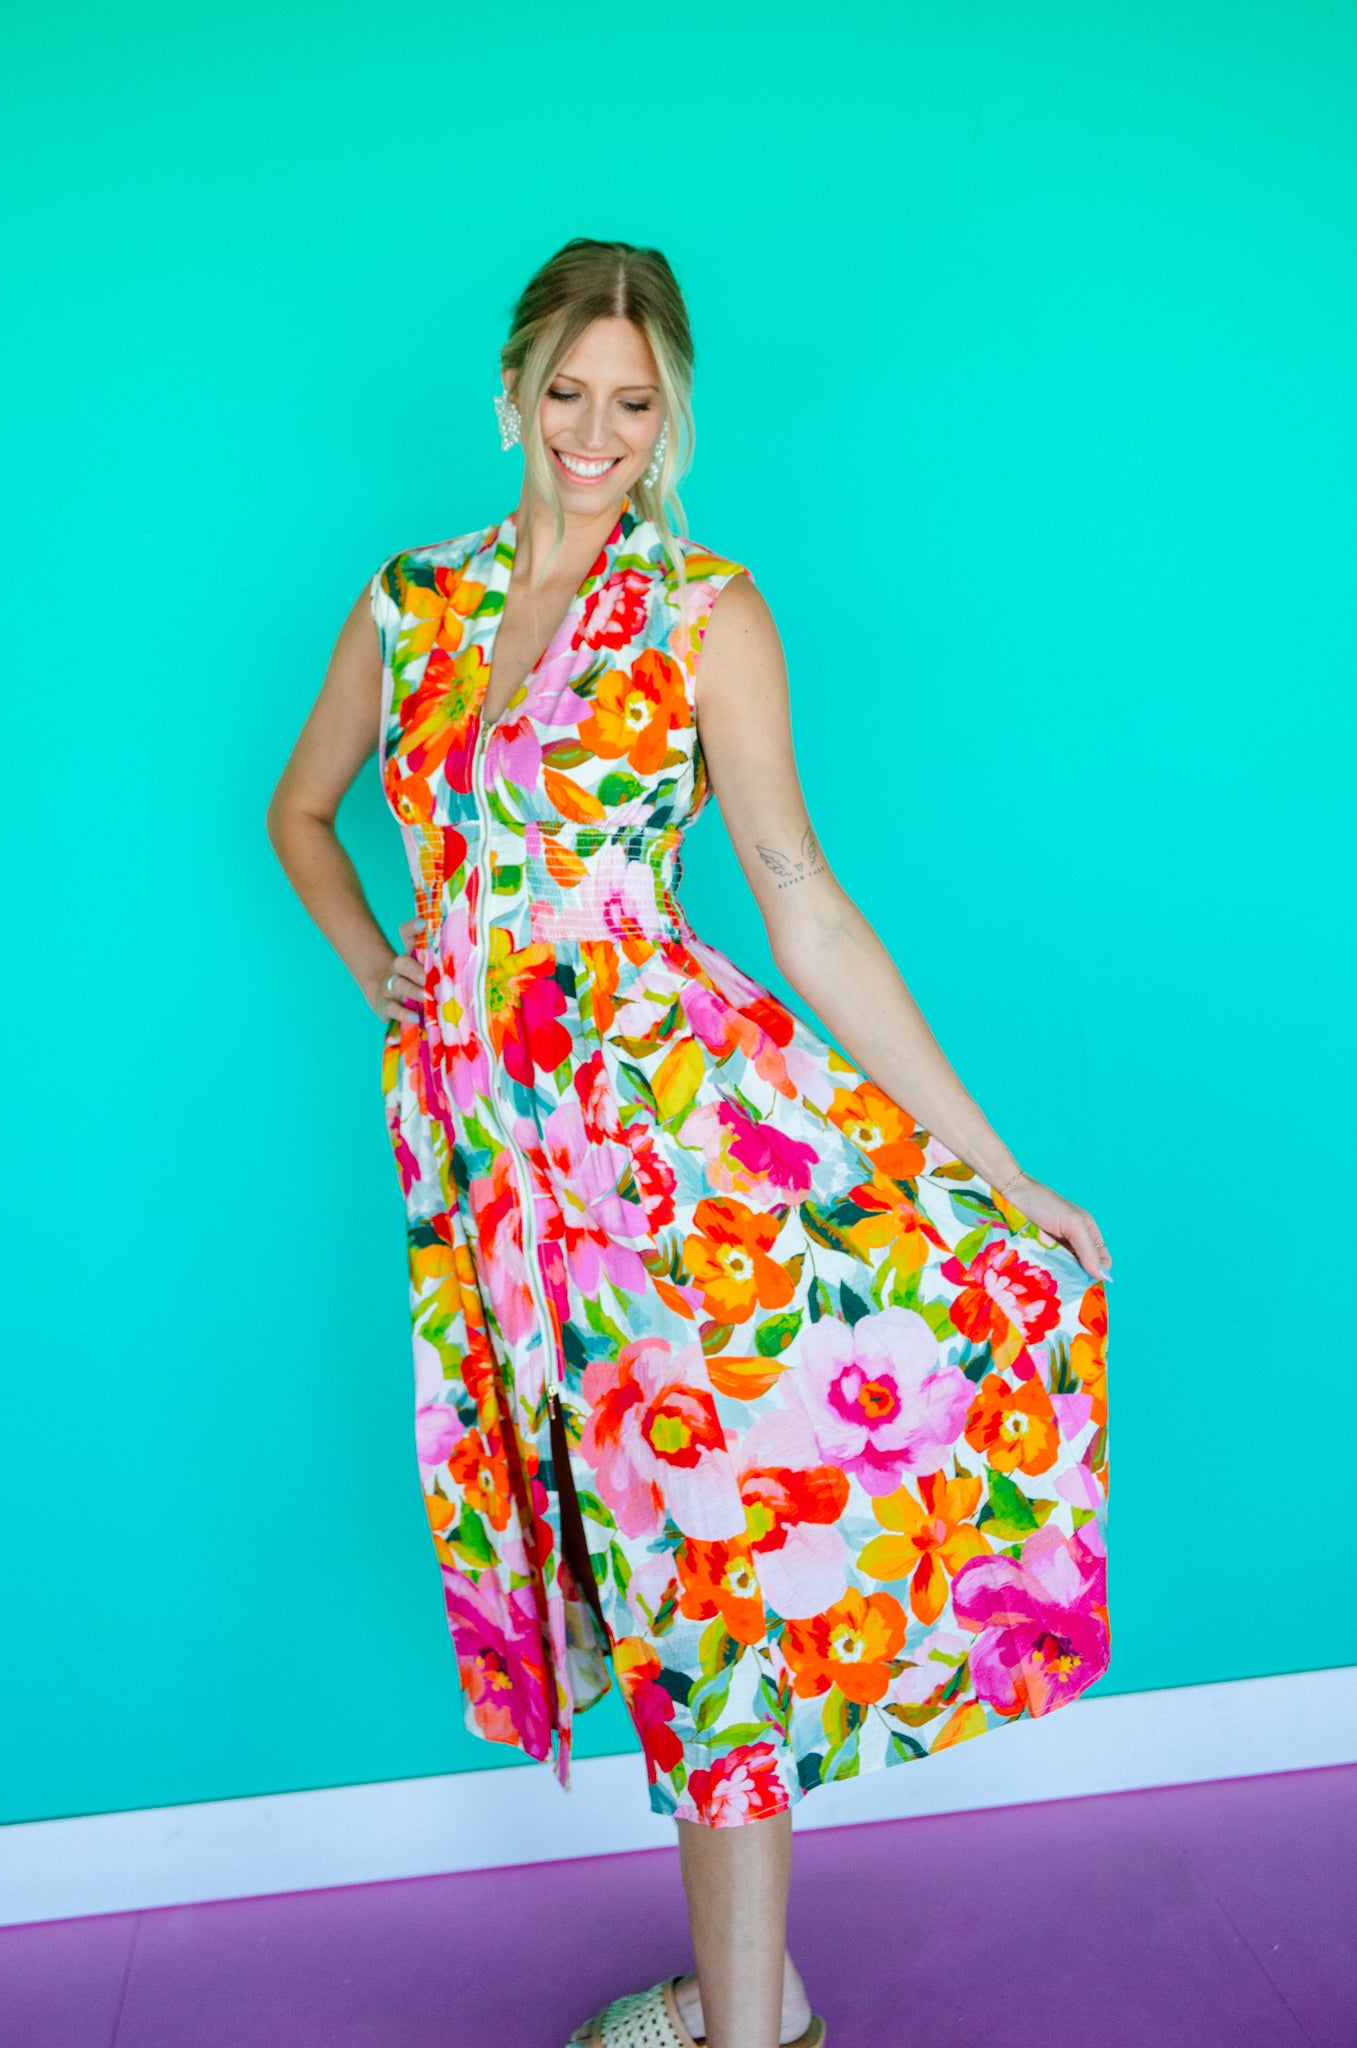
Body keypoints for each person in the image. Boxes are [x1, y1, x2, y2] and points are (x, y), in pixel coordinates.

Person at [266, 236, 1112, 2048]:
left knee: (709, 1579)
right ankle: (756, 1991)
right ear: (510, 396)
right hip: (496, 1174)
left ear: (673, 422)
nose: (596, 432)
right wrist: (382, 968)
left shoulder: (705, 613)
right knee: (650, 1584)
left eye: (633, 405)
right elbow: (303, 813)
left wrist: (993, 1168)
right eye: (567, 393)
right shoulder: (412, 601)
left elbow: (799, 898)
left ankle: (746, 2032)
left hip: (673, 1159)